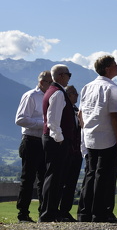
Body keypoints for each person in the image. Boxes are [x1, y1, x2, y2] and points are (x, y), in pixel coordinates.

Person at [77, 55, 117, 223]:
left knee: (90, 174)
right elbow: (114, 116)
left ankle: (84, 213)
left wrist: (86, 129)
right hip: (107, 136)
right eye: (114, 64)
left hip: (90, 136)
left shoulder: (87, 87)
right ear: (107, 68)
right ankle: (100, 213)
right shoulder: (112, 88)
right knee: (104, 176)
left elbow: (80, 114)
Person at [39, 64, 76, 222]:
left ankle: (48, 212)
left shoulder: (51, 91)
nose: (69, 77)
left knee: (53, 176)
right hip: (56, 140)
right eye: (69, 74)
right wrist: (60, 139)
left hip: (52, 138)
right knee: (55, 177)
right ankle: (49, 213)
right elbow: (53, 120)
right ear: (61, 75)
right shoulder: (59, 93)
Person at [15, 70, 52, 222]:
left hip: (44, 141)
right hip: (31, 141)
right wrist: (42, 124)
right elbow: (20, 119)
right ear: (42, 82)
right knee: (28, 180)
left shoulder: (50, 97)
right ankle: (23, 214)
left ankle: (43, 214)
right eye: (50, 82)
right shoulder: (30, 96)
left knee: (44, 179)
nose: (52, 85)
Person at [56, 85, 83, 222]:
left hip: (76, 152)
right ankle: (56, 210)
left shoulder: (77, 110)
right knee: (61, 182)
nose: (76, 96)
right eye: (73, 93)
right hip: (65, 150)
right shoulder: (62, 110)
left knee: (71, 183)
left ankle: (66, 210)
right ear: (67, 95)